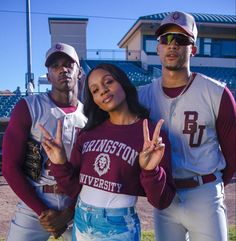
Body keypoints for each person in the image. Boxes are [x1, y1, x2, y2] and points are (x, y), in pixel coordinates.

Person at [39, 63, 176, 241]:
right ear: (94, 100)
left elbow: (162, 201)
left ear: (123, 83)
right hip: (81, 219)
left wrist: (151, 171)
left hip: (117, 226)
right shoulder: (88, 134)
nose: (102, 91)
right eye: (95, 90)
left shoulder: (151, 135)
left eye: (108, 82)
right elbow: (73, 189)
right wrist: (60, 163)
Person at [138, 11, 236, 241]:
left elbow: (233, 155)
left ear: (193, 48)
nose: (172, 45)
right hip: (165, 195)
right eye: (166, 39)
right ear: (158, 47)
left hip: (204, 192)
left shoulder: (217, 93)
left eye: (181, 39)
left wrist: (213, 185)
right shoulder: (141, 96)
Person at [2, 42, 87, 241]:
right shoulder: (29, 107)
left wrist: (68, 212)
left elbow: (89, 174)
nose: (62, 69)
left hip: (74, 204)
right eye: (55, 66)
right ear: (48, 75)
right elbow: (9, 166)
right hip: (35, 201)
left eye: (68, 64)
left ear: (79, 72)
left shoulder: (88, 117)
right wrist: (42, 211)